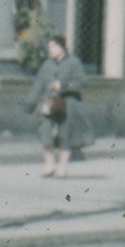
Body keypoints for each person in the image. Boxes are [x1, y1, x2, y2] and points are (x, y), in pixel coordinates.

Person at [33, 32, 87, 176]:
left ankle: (62, 167)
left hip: (68, 103)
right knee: (45, 131)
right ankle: (49, 165)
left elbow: (81, 82)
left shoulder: (74, 63)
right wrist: (30, 103)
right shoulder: (47, 64)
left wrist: (63, 85)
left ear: (62, 47)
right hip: (48, 102)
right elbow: (38, 84)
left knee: (65, 135)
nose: (50, 50)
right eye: (49, 47)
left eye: (53, 46)